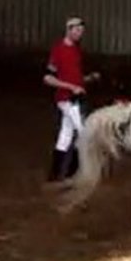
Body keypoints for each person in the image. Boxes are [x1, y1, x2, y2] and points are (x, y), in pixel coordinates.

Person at [43, 17, 99, 180]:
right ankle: (73, 171)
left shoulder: (75, 50)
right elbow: (48, 78)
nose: (79, 34)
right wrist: (71, 87)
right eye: (77, 30)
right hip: (68, 99)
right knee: (84, 132)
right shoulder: (58, 50)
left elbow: (75, 77)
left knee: (66, 134)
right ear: (69, 29)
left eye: (81, 31)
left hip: (74, 98)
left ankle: (56, 173)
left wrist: (88, 79)